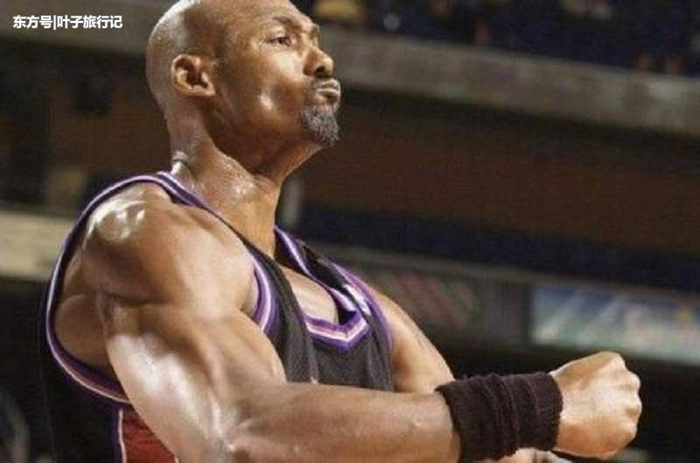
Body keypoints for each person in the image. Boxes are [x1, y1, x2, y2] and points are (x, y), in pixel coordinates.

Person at [39, 0, 642, 462]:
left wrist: (551, 427)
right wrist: (542, 403)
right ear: (197, 78)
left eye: (316, 40)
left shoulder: (358, 306)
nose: (321, 60)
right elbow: (239, 434)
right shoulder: (143, 232)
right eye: (282, 39)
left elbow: (488, 443)